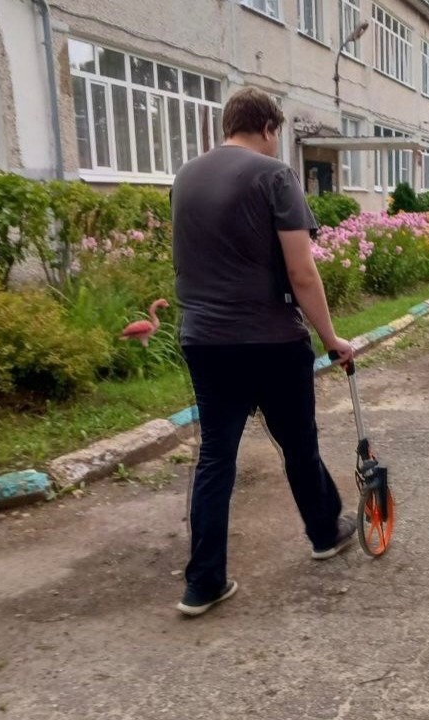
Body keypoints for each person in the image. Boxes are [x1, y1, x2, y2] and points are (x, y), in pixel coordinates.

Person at [171, 87, 356, 617]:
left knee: (215, 457)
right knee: (298, 444)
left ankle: (203, 583)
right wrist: (330, 338)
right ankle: (324, 533)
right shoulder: (274, 176)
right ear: (270, 128)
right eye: (277, 135)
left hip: (203, 340)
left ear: (229, 124)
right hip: (271, 339)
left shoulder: (185, 177)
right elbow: (301, 271)